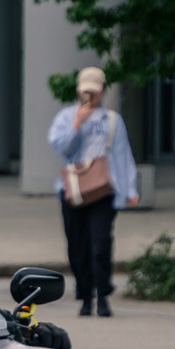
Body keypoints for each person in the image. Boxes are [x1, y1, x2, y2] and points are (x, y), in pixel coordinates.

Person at [47, 66, 139, 317]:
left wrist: (129, 188)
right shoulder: (66, 116)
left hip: (103, 189)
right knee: (77, 245)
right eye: (85, 91)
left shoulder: (111, 120)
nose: (90, 96)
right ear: (78, 91)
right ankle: (86, 296)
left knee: (100, 243)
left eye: (94, 92)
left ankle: (104, 295)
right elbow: (59, 146)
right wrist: (77, 123)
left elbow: (122, 154)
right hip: (74, 190)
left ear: (102, 92)